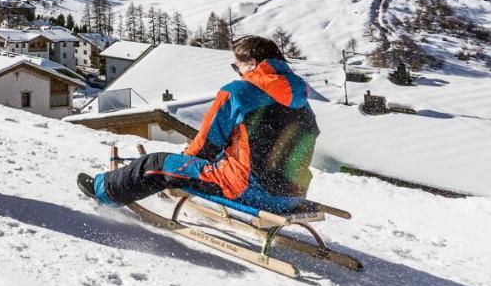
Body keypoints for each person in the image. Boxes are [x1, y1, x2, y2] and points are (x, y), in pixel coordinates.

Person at [79, 35, 320, 213]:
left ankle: (104, 190)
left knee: (155, 164)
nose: (238, 73)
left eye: (238, 66)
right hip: (292, 195)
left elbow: (204, 147)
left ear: (253, 64)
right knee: (218, 162)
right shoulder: (301, 99)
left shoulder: (238, 93)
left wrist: (179, 168)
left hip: (250, 192)